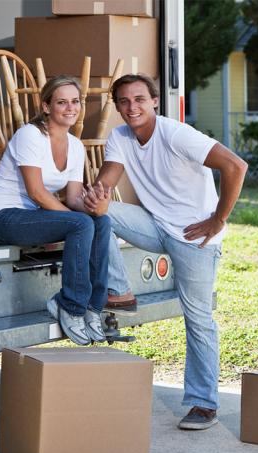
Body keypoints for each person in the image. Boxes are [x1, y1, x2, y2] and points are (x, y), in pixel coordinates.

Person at [84, 74, 247, 430]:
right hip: (156, 226)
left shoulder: (176, 134)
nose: (132, 107)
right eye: (124, 101)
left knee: (198, 319)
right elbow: (108, 178)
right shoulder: (120, 137)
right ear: (117, 106)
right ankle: (119, 291)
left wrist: (218, 219)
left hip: (194, 237)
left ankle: (203, 404)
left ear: (155, 101)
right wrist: (95, 195)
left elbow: (235, 166)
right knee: (97, 213)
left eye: (140, 99)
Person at [0, 75, 113, 346]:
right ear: (46, 106)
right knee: (81, 224)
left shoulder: (75, 146)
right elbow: (37, 193)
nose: (70, 108)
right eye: (61, 102)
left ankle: (93, 308)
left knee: (102, 222)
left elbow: (74, 197)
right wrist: (78, 220)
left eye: (75, 102)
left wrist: (92, 206)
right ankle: (70, 306)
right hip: (1, 217)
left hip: (33, 217)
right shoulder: (30, 135)